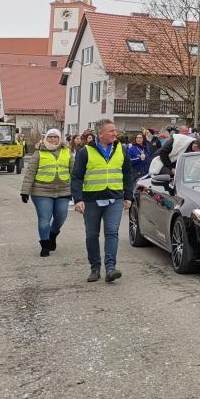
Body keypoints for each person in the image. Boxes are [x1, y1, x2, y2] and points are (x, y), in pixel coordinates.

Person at [70, 119, 135, 283]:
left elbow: (128, 174)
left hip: (114, 198)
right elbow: (76, 177)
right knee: (92, 235)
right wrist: (78, 199)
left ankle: (111, 268)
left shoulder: (122, 149)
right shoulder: (85, 152)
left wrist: (128, 196)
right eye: (111, 131)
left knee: (112, 232)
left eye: (115, 130)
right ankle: (95, 268)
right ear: (100, 134)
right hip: (91, 200)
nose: (115, 133)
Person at [19, 129, 71, 257]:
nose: (53, 139)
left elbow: (74, 172)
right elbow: (30, 173)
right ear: (45, 138)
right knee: (44, 220)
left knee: (61, 217)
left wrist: (77, 191)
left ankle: (53, 235)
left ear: (60, 139)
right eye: (50, 137)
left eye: (55, 137)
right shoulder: (39, 153)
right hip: (41, 191)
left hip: (63, 190)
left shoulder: (67, 152)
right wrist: (25, 191)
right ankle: (45, 245)